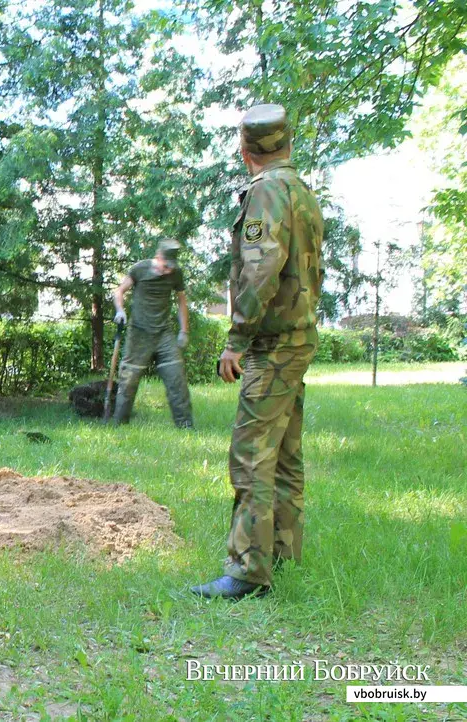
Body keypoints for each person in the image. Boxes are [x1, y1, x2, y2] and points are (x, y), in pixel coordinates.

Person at [191, 104, 324, 600]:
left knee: (250, 456)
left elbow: (262, 267)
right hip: (299, 335)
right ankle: (283, 553)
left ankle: (248, 571)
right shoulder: (302, 191)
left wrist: (236, 339)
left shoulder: (267, 190)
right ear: (286, 142)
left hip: (271, 344)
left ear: (245, 150)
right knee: (286, 454)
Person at [110, 239, 194, 428]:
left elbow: (182, 301)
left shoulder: (176, 274)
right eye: (165, 266)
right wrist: (120, 310)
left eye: (171, 267)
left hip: (163, 333)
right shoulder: (139, 269)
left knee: (176, 378)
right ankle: (119, 424)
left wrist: (184, 331)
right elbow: (120, 291)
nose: (168, 271)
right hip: (138, 333)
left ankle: (186, 425)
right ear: (158, 257)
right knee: (129, 379)